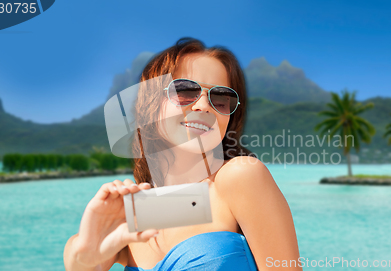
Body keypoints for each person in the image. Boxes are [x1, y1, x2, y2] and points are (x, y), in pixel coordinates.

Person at [64, 38, 302, 271]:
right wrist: (85, 252)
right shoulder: (138, 212)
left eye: (220, 98)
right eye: (185, 90)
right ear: (151, 104)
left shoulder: (240, 177)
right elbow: (80, 261)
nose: (203, 106)